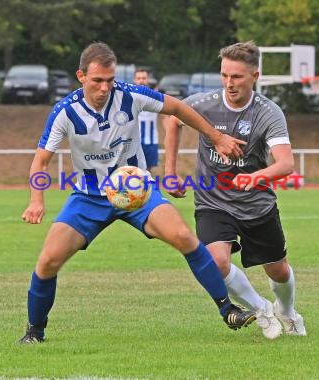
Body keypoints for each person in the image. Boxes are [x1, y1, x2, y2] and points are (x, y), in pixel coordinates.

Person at [18, 42, 254, 343]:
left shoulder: (131, 95)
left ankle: (227, 309)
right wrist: (36, 199)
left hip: (137, 192)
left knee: (184, 237)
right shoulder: (65, 112)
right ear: (81, 76)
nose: (104, 88)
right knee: (48, 260)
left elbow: (178, 108)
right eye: (97, 81)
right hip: (89, 197)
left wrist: (217, 137)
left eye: (109, 80)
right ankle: (34, 332)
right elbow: (41, 160)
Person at [163, 41, 306, 339]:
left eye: (237, 77)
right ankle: (261, 308)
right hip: (213, 201)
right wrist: (170, 172)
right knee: (216, 261)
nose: (229, 83)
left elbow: (285, 164)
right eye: (225, 75)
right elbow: (173, 120)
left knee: (277, 270)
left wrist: (256, 178)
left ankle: (288, 312)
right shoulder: (204, 104)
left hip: (256, 204)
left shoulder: (268, 113)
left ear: (255, 76)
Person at [133, 68, 160, 175]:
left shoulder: (155, 96)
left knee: (147, 171)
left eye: (144, 78)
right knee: (133, 170)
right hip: (134, 140)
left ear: (148, 79)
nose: (141, 81)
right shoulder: (129, 97)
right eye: (138, 78)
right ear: (134, 80)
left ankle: (145, 190)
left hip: (151, 140)